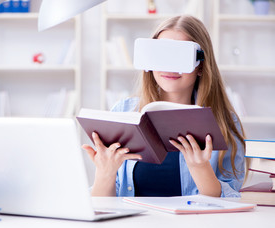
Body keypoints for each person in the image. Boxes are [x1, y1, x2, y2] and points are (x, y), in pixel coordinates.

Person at [82, 15, 247, 198]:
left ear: (200, 66)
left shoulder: (224, 123)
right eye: (161, 55)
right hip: (131, 226)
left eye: (179, 56)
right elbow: (102, 205)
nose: (169, 67)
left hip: (193, 226)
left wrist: (200, 168)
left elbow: (229, 203)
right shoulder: (124, 112)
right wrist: (105, 172)